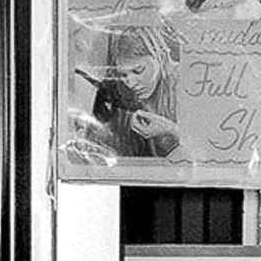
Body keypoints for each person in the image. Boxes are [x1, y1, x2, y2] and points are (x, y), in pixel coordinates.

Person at [72, 27, 183, 164]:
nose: (130, 83)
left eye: (138, 70)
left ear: (158, 54)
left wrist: (170, 129)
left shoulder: (185, 80)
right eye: (123, 75)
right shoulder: (123, 93)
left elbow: (207, 145)